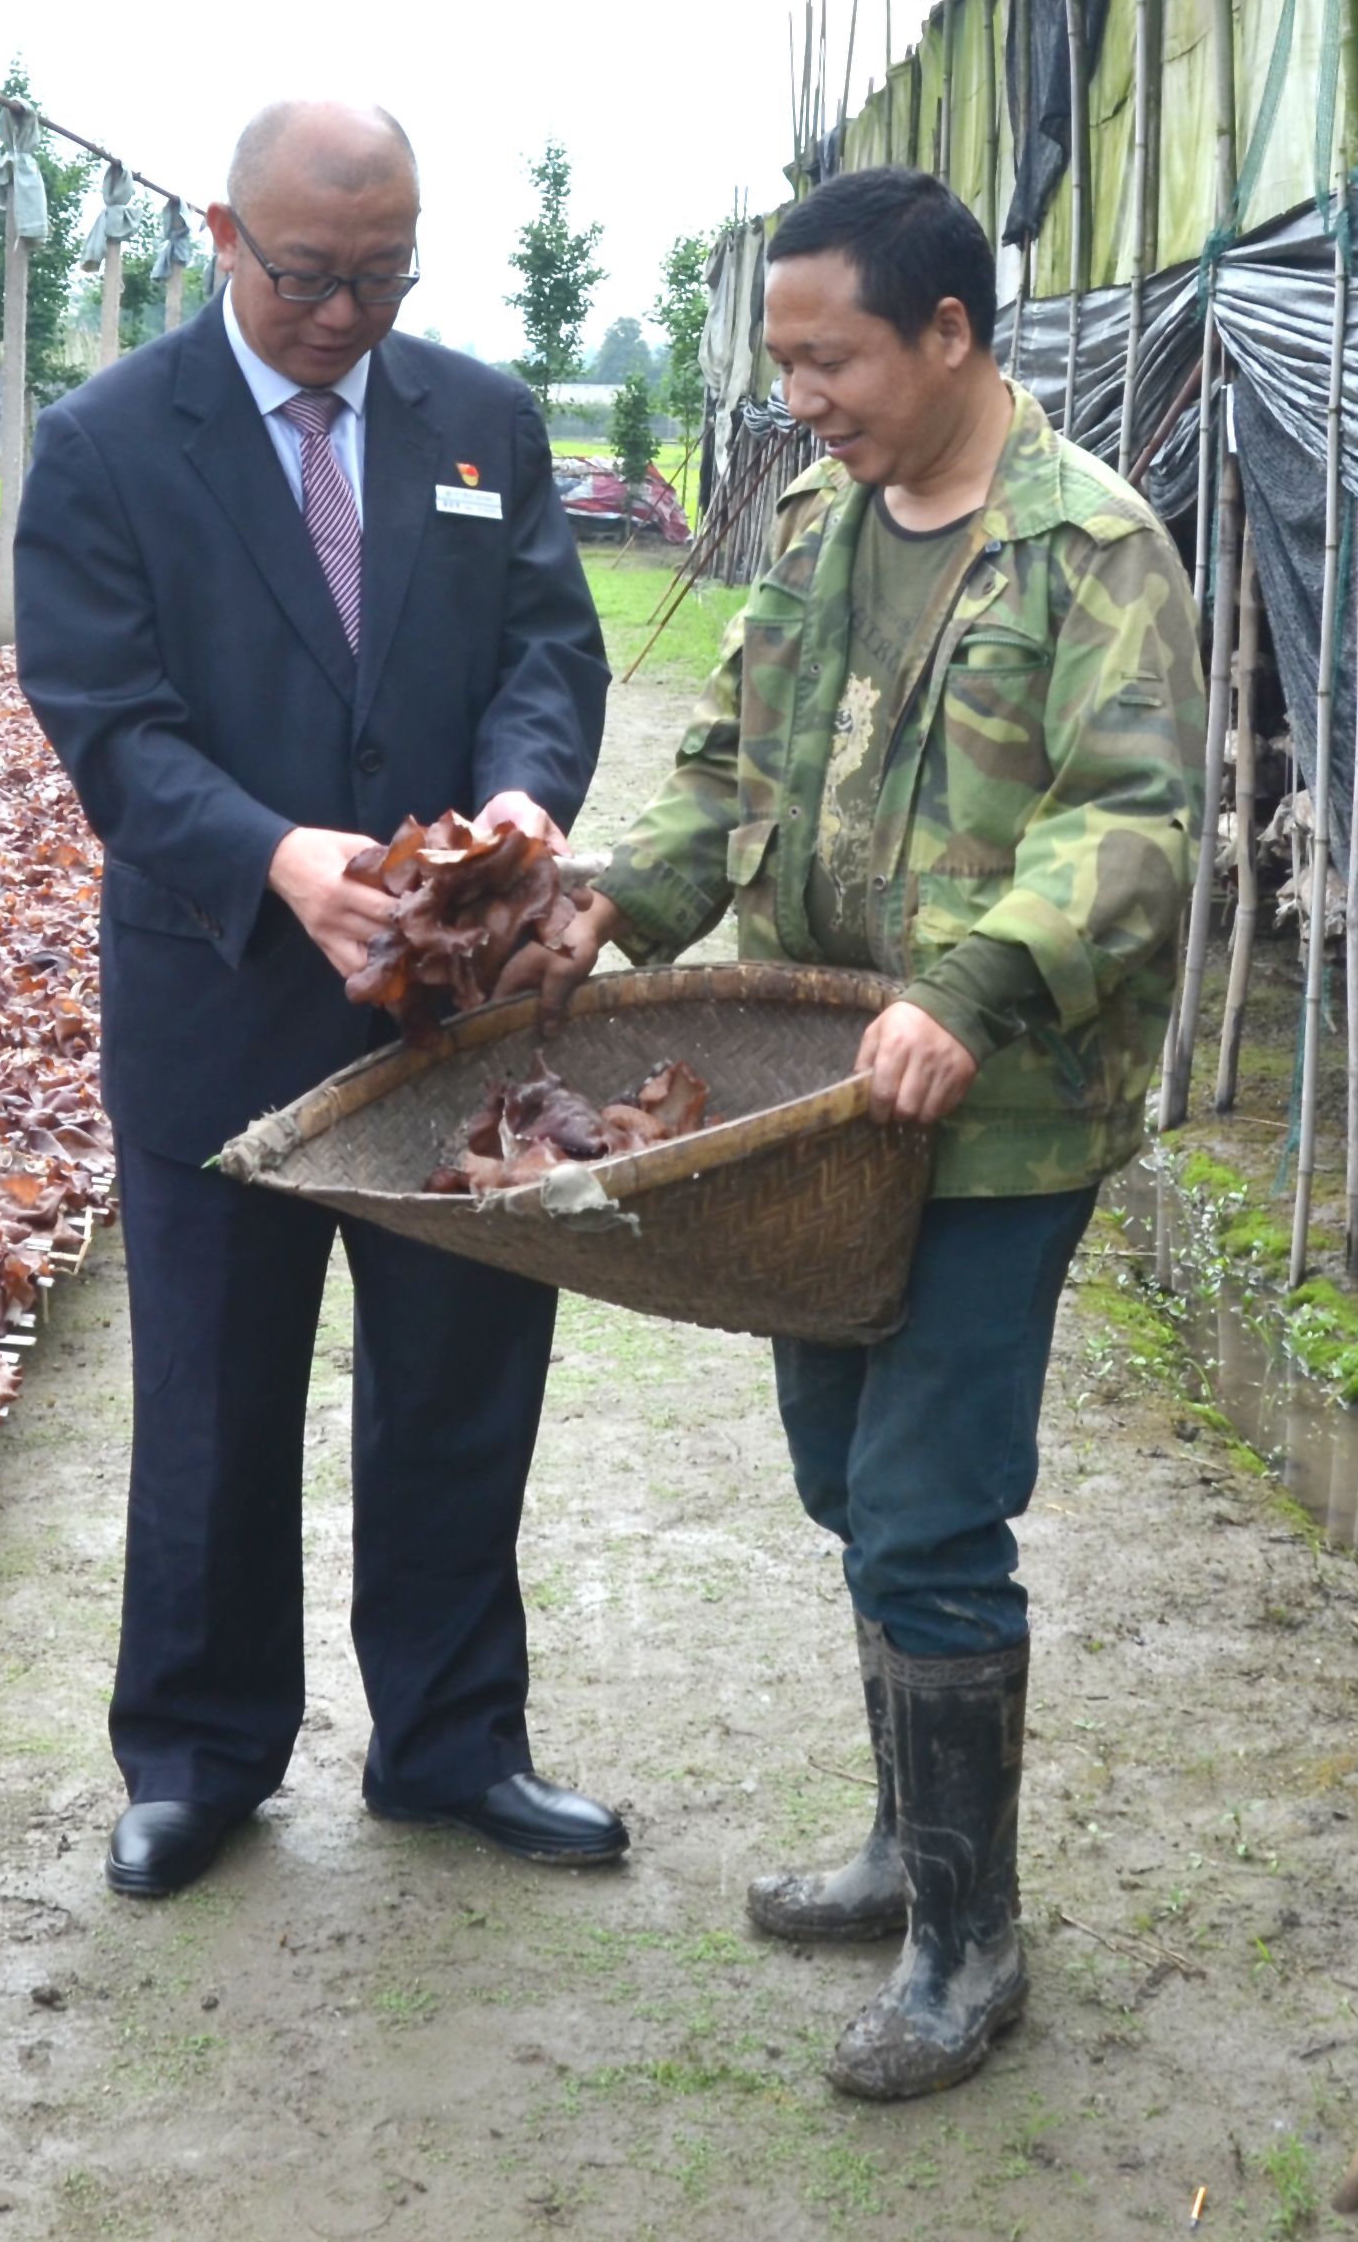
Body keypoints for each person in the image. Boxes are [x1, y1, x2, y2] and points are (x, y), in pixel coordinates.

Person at [501, 164, 1204, 2099]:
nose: (796, 393)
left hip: (991, 1117)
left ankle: (970, 1943)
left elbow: (1131, 823)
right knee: (837, 1469)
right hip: (817, 1105)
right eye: (780, 357)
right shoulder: (816, 523)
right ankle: (914, 1839)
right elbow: (734, 767)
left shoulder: (1089, 548)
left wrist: (966, 990)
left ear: (948, 334)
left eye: (830, 356)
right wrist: (616, 904)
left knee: (925, 1503)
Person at [12, 99, 617, 1899]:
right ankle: (200, 1752)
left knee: (459, 1365)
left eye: (380, 271)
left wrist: (521, 796)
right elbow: (106, 716)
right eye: (305, 274)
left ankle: (448, 1742)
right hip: (224, 989)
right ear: (220, 232)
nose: (344, 311)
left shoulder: (476, 420)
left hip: (454, 996)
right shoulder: (110, 442)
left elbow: (545, 647)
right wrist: (282, 858)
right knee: (211, 1377)